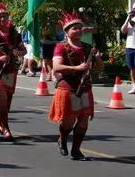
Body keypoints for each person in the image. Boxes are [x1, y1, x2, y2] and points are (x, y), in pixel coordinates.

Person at [49, 11, 103, 160]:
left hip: (85, 87)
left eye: (80, 28)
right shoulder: (61, 47)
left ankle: (76, 150)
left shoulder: (88, 47)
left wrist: (98, 59)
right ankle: (62, 138)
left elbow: (99, 69)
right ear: (67, 31)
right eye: (75, 28)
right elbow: (57, 67)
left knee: (84, 118)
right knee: (69, 121)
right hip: (68, 88)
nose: (78, 31)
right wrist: (77, 69)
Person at [0, 3, 27, 141]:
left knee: (8, 100)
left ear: (8, 18)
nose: (2, 19)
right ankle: (5, 127)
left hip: (11, 70)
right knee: (2, 98)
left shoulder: (15, 34)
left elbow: (24, 50)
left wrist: (16, 52)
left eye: (4, 16)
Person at [121, 2, 135, 94]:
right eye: (134, 9)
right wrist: (127, 19)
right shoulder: (131, 20)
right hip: (130, 46)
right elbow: (123, 31)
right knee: (132, 67)